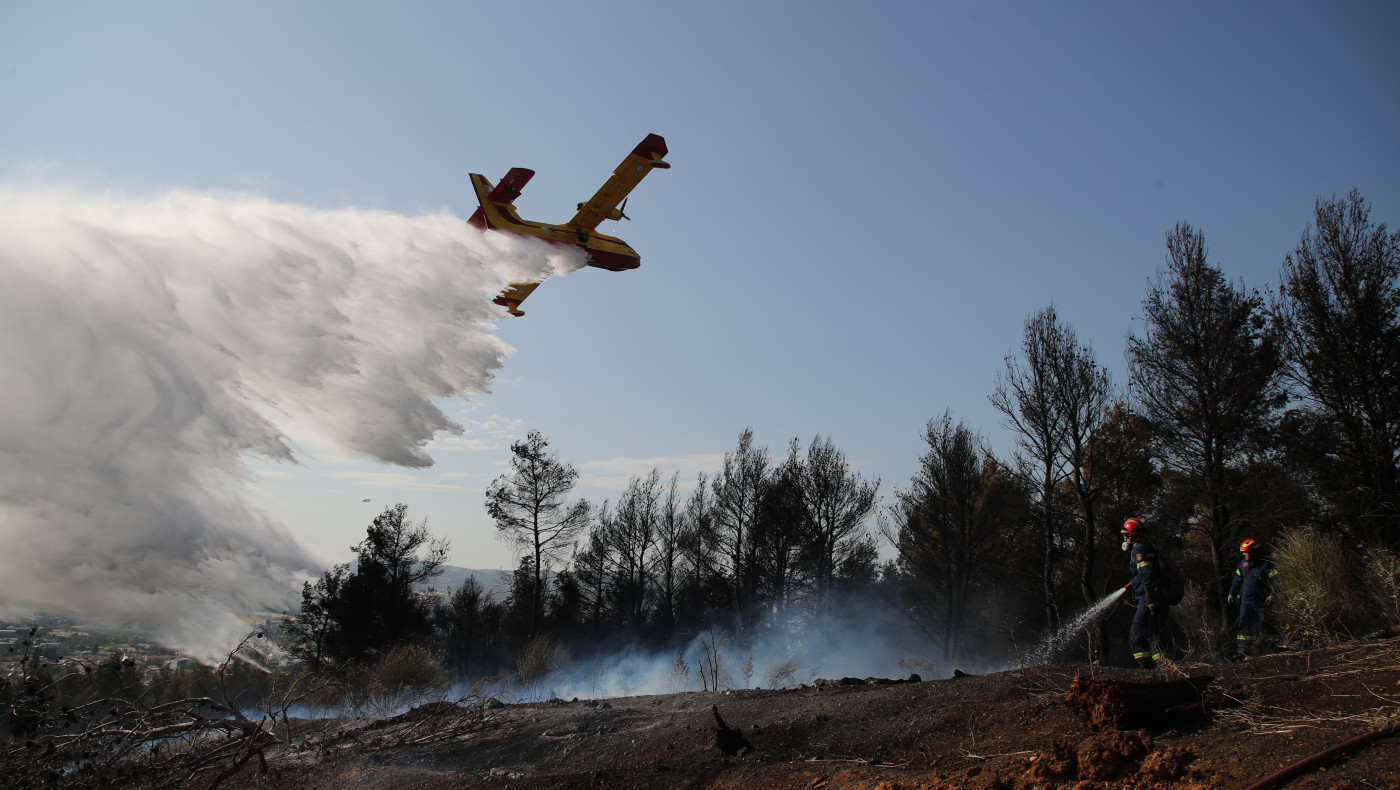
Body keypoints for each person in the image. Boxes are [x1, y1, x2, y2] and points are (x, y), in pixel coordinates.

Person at [1121, 517, 1171, 669]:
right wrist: (1134, 582)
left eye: (1125, 536)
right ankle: (1164, 668)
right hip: (1161, 597)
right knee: (1157, 634)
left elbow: (1148, 575)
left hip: (1148, 598)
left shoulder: (1138, 551)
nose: (1125, 540)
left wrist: (1150, 601)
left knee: (1136, 635)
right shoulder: (1150, 549)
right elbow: (1154, 572)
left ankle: (1147, 668)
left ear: (1130, 536)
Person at [1227, 537, 1279, 659]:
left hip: (1261, 600)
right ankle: (1243, 651)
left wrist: (1272, 594)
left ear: (1253, 551)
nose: (1243, 554)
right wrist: (1232, 593)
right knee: (1244, 625)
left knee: (1266, 622)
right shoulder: (1243, 565)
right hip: (1246, 601)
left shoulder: (1267, 564)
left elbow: (1276, 580)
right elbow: (1237, 580)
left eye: (1245, 552)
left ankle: (1273, 646)